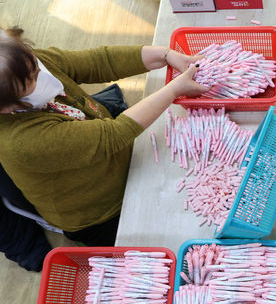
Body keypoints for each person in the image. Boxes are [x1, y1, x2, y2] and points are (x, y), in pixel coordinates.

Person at [0, 27, 209, 248]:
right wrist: (174, 90)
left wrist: (165, 54)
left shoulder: (22, 64)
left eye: (35, 65)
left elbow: (99, 62)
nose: (42, 75)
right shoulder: (23, 142)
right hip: (101, 213)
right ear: (5, 108)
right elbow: (114, 134)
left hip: (121, 159)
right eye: (30, 82)